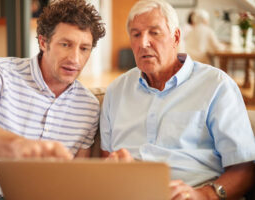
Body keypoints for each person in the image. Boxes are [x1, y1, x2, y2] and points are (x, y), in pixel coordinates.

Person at [100, 0, 255, 199]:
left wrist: (204, 195)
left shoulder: (217, 85)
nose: (143, 43)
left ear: (175, 37)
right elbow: (105, 159)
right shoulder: (116, 91)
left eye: (154, 33)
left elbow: (244, 168)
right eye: (136, 34)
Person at [0, 0, 105, 199]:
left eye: (84, 49)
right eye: (65, 44)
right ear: (43, 42)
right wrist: (20, 146)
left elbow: (75, 178)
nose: (75, 59)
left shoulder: (89, 107)